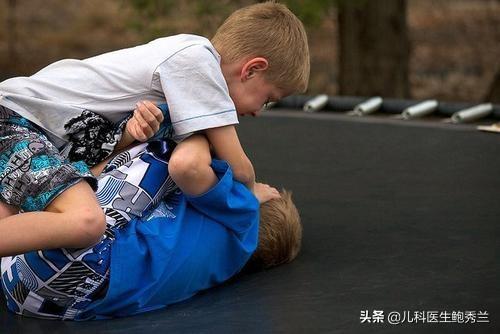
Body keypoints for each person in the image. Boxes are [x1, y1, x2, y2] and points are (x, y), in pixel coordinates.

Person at [0, 1, 310, 257]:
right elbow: (238, 166)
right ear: (253, 69)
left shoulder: (177, 99)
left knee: (15, 226)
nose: (258, 112)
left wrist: (131, 135)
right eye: (268, 99)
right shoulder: (196, 60)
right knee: (85, 221)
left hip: (36, 135)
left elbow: (96, 156)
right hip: (16, 118)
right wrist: (249, 194)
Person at [0, 134, 302, 320]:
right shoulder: (226, 262)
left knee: (164, 148)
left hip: (88, 260)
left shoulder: (244, 217)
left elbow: (187, 165)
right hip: (36, 296)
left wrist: (201, 127)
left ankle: (54, 187)